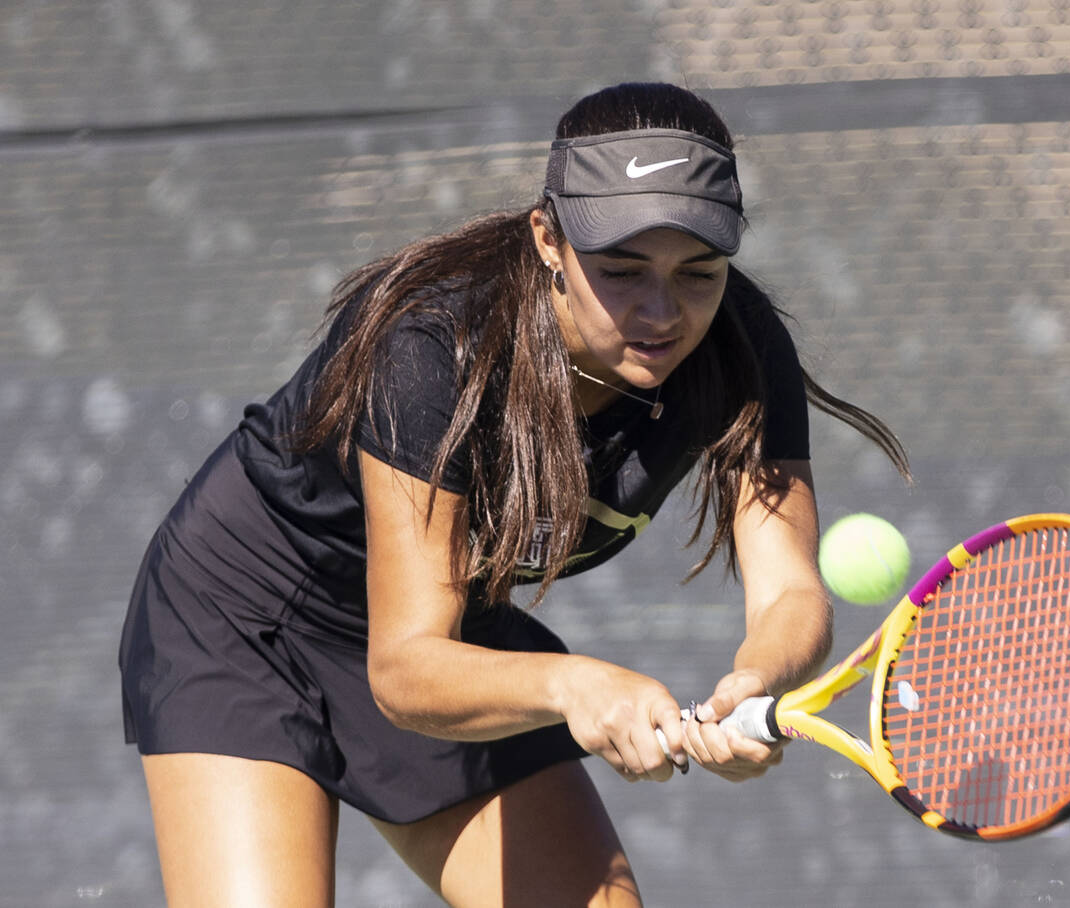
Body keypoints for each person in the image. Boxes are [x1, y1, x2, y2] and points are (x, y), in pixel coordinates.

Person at [119, 82, 909, 907]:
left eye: (699, 273)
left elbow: (788, 588)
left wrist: (757, 676)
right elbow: (403, 668)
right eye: (623, 269)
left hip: (452, 627)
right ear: (547, 239)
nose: (663, 311)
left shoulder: (740, 346)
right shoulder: (430, 344)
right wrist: (576, 687)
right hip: (245, 617)